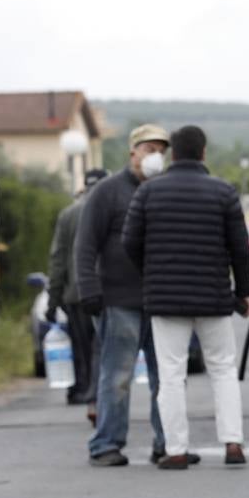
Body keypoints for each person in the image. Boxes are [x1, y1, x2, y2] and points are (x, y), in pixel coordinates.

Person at [122, 125, 249, 469]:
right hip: (214, 297)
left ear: (172, 155)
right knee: (223, 370)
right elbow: (240, 248)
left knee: (171, 375)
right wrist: (243, 293)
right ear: (204, 153)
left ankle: (176, 450)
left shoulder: (149, 192)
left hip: (166, 300)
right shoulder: (223, 192)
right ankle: (233, 444)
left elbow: (129, 242)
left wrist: (152, 273)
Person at [75, 124, 176, 467]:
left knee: (166, 378)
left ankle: (168, 444)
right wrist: (88, 287)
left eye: (161, 150)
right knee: (117, 375)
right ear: (132, 152)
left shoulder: (165, 190)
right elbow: (85, 244)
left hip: (161, 300)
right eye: (149, 149)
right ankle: (106, 444)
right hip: (118, 301)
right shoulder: (107, 192)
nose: (155, 156)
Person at [47, 167, 109, 420]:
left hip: (75, 295)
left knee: (85, 351)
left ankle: (90, 397)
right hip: (108, 294)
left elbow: (58, 259)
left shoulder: (68, 214)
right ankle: (99, 399)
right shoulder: (110, 210)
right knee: (104, 351)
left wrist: (53, 298)